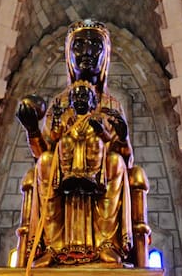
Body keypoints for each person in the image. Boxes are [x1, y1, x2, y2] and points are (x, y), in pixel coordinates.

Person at [15, 20, 147, 268]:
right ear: (69, 55)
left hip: (100, 181)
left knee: (115, 162)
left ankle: (108, 244)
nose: (87, 53)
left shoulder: (111, 104)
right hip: (64, 177)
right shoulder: (58, 105)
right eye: (79, 46)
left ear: (105, 56)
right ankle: (52, 247)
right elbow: (43, 153)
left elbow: (126, 158)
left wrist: (122, 136)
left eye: (95, 46)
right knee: (43, 164)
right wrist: (32, 128)